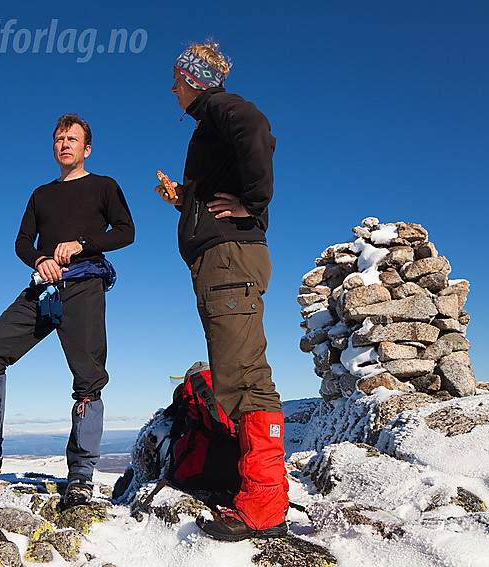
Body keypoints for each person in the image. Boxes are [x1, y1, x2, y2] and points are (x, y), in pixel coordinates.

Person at [154, 42, 289, 540]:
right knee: (237, 372)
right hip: (222, 259)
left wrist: (253, 203)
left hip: (230, 259)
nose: (172, 87)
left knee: (246, 376)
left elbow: (257, 130)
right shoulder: (208, 123)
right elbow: (214, 194)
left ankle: (265, 504)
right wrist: (183, 202)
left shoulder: (221, 108)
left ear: (194, 77)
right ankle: (257, 491)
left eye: (175, 78)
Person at [0, 113, 134, 507]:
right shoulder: (40, 194)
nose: (65, 144)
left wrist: (81, 244)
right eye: (59, 139)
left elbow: (126, 232)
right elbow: (22, 242)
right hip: (44, 288)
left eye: (72, 139)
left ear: (86, 148)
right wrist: (41, 258)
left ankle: (80, 475)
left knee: (88, 378)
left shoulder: (104, 186)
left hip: (84, 288)